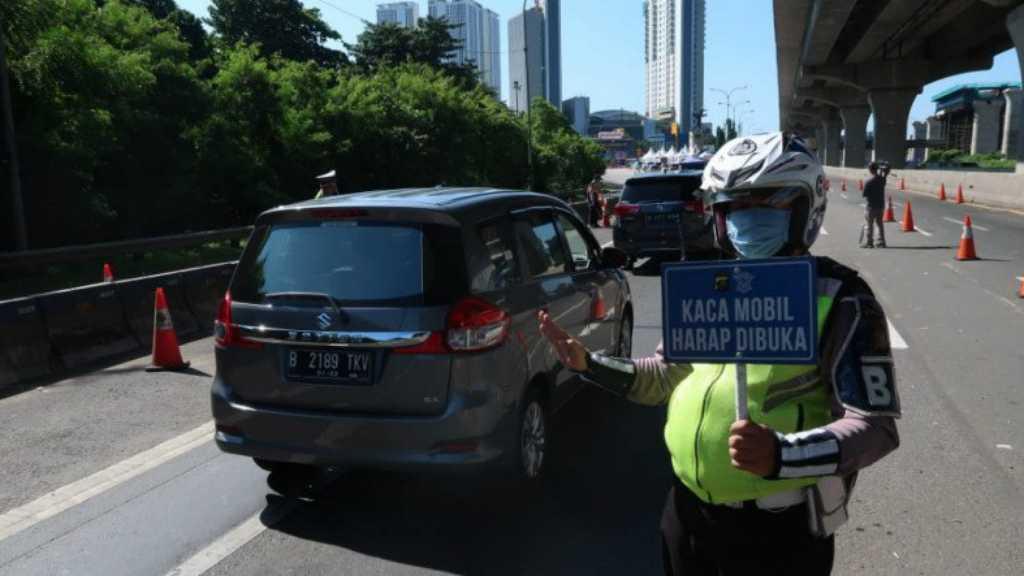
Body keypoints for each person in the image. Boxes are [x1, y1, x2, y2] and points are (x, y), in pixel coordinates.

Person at [538, 132, 901, 576]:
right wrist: (590, 365)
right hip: (687, 513)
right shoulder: (706, 287)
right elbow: (664, 377)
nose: (747, 221)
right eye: (733, 208)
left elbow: (875, 427)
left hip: (778, 530)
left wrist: (782, 455)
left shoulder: (839, 296)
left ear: (806, 210)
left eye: (767, 206)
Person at [861, 162, 887, 248]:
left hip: (871, 206)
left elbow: (864, 194)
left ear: (870, 170)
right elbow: (884, 175)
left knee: (870, 225)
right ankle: (881, 242)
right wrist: (883, 171)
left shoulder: (869, 182)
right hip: (881, 206)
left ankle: (869, 242)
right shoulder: (882, 179)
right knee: (880, 224)